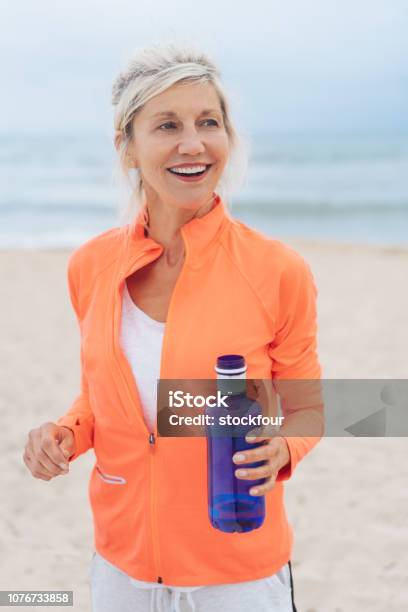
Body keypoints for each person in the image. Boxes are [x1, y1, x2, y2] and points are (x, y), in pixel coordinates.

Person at [23, 42, 323, 612]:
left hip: (238, 572)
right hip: (121, 565)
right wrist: (64, 433)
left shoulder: (277, 270)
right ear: (128, 148)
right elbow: (102, 397)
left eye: (208, 122)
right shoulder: (90, 266)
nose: (193, 143)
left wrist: (283, 447)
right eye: (166, 125)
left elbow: (307, 404)